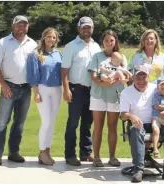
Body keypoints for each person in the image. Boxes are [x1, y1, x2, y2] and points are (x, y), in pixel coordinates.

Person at [120, 65, 164, 183]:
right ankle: (139, 170)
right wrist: (131, 116)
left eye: (144, 77)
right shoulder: (126, 92)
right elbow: (122, 115)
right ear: (133, 77)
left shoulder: (156, 89)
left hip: (158, 122)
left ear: (148, 77)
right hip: (139, 124)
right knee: (136, 129)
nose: (141, 80)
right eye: (138, 77)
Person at [0, 15, 37, 166]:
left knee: (19, 123)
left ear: (27, 27)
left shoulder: (32, 44)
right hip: (9, 87)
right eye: (18, 25)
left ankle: (13, 152)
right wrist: (3, 85)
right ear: (13, 26)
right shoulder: (3, 43)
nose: (21, 28)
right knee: (2, 122)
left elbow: (36, 66)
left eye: (24, 25)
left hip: (26, 88)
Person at [61, 16, 101, 166]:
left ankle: (85, 152)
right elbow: (64, 71)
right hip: (75, 89)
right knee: (73, 123)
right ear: (79, 29)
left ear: (92, 29)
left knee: (87, 123)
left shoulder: (96, 46)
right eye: (84, 27)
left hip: (92, 90)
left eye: (89, 27)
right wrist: (66, 89)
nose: (86, 30)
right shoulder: (71, 46)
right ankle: (70, 155)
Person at [87, 30, 128, 167]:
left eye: (111, 40)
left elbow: (126, 76)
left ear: (115, 41)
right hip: (98, 95)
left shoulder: (121, 57)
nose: (109, 43)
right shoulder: (97, 56)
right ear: (102, 42)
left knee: (112, 127)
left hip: (115, 96)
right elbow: (93, 75)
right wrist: (102, 82)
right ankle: (97, 157)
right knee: (98, 127)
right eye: (106, 40)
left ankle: (112, 157)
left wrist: (116, 82)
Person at [26, 27, 62, 166]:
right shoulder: (35, 54)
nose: (51, 39)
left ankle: (47, 151)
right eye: (49, 37)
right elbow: (33, 75)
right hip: (42, 89)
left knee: (52, 122)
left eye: (54, 37)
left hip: (57, 89)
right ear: (44, 37)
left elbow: (63, 72)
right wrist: (36, 93)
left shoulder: (59, 54)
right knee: (46, 121)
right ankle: (42, 151)